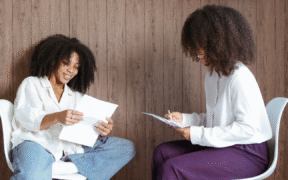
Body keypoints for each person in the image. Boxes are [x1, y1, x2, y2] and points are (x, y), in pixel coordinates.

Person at [152, 5, 272, 180]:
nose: (198, 50)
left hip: (247, 153)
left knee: (173, 168)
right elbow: (217, 120)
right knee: (161, 153)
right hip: (224, 145)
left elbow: (248, 129)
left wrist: (196, 134)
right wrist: (184, 119)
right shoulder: (212, 76)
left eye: (203, 44)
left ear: (220, 42)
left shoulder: (239, 77)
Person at [10, 34, 135, 180]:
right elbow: (25, 118)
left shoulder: (76, 97)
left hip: (69, 149)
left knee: (125, 147)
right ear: (52, 61)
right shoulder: (32, 84)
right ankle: (80, 167)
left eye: (76, 67)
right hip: (36, 145)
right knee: (31, 176)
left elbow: (82, 131)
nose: (71, 71)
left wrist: (101, 130)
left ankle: (72, 166)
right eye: (65, 64)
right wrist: (57, 117)